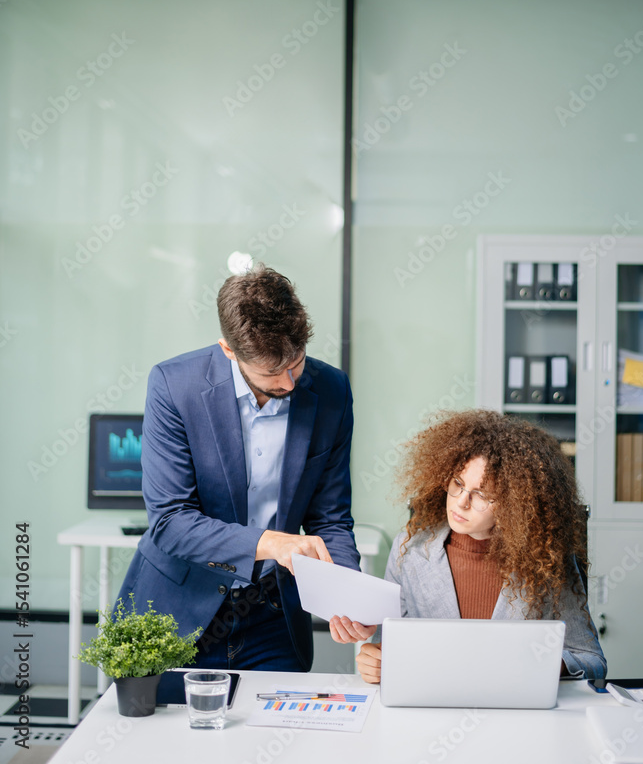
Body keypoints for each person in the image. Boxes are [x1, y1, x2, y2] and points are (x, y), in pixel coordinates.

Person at [117, 263, 360, 672]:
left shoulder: (332, 389)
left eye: (297, 362)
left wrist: (348, 593)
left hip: (273, 617)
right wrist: (271, 543)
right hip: (176, 612)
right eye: (271, 372)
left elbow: (330, 518)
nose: (290, 383)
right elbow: (171, 522)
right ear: (229, 350)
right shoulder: (174, 386)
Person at [330, 410, 606, 682]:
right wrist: (376, 663)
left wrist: (543, 663)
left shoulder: (546, 559)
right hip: (431, 700)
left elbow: (592, 660)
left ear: (515, 505)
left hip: (513, 703)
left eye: (482, 495)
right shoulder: (410, 548)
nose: (461, 502)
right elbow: (386, 648)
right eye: (458, 484)